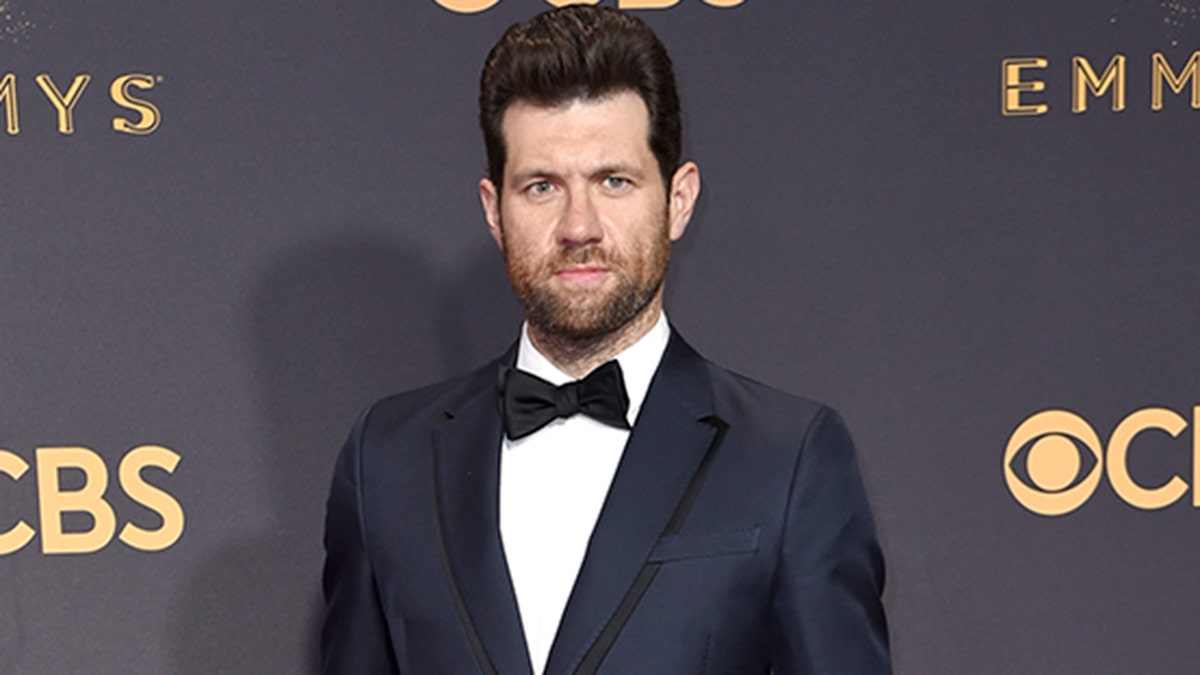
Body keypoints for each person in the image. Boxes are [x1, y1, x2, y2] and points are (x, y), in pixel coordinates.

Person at [321, 6, 889, 674]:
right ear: (493, 210)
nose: (578, 225)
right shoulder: (387, 459)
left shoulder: (790, 459)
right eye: (541, 186)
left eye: (613, 181)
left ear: (678, 199)